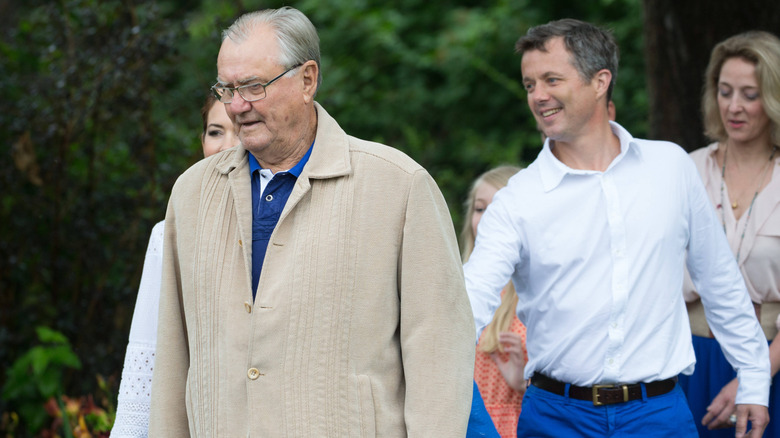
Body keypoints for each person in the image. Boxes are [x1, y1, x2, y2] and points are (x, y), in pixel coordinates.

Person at [147, 6, 475, 436]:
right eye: (226, 89)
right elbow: (173, 354)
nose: (237, 106)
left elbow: (439, 354)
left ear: (307, 79)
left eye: (253, 86)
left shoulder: (400, 187)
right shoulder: (191, 193)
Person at [464, 18, 771, 437]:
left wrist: (754, 380)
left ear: (600, 81)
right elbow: (471, 299)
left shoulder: (670, 167)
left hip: (658, 415)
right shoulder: (518, 199)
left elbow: (719, 280)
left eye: (552, 79)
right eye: (529, 84)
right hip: (556, 417)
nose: (538, 96)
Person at [111, 94, 238, 437]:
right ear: (201, 141)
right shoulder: (170, 233)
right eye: (215, 132)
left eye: (240, 129)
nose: (228, 145)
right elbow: (148, 345)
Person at [679, 30, 780, 438]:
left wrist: (755, 377)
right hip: (689, 358)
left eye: (749, 95)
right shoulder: (685, 170)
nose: (733, 107)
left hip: (773, 362)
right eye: (724, 91)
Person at [461, 165, 526, 437]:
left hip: (515, 424)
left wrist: (522, 381)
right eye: (480, 208)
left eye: (498, 208)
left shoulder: (532, 295)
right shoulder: (458, 283)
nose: (488, 218)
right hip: (462, 422)